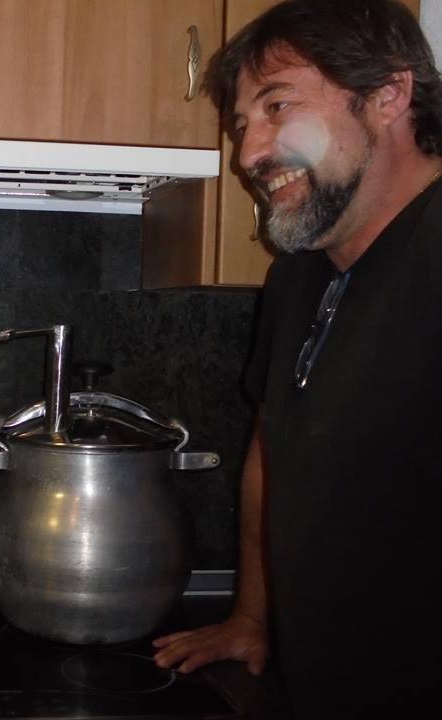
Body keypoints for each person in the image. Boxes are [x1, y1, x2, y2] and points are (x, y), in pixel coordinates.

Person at [151, 1, 442, 718]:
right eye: (241, 124)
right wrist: (254, 615)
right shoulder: (300, 274)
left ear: (389, 95)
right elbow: (272, 445)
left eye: (278, 106)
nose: (248, 155)